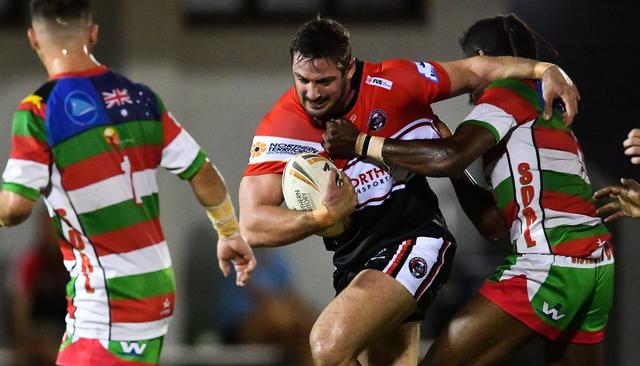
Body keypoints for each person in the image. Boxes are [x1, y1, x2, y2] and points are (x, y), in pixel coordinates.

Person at [239, 16, 579, 365]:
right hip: (353, 259)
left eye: (324, 81)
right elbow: (252, 223)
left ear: (350, 69)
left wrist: (546, 69)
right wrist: (321, 217)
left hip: (414, 239)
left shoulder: (396, 81)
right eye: (302, 80)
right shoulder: (281, 127)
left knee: (327, 344)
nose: (312, 93)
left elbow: (477, 69)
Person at [322, 14, 612, 366]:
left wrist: (361, 143)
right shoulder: (545, 110)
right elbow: (492, 224)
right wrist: (457, 169)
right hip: (596, 265)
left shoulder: (506, 94)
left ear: (481, 58)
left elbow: (448, 155)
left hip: (550, 263)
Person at [0, 1, 256, 365]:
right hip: (154, 292)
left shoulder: (39, 111)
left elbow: (14, 209)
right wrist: (229, 232)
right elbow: (203, 172)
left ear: (32, 39)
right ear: (93, 33)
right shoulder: (141, 98)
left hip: (109, 302)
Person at [8, 207, 68, 366]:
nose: (51, 233)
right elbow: (20, 316)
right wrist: (36, 345)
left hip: (68, 335)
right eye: (47, 227)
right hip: (38, 336)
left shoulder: (76, 264)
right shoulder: (31, 263)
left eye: (55, 228)